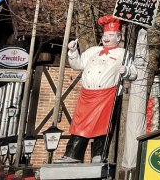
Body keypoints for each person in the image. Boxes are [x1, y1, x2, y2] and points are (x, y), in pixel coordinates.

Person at [56, 15, 137, 163]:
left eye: (111, 35)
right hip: (87, 95)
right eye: (105, 35)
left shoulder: (122, 53)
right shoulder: (93, 51)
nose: (106, 38)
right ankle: (73, 154)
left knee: (103, 126)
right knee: (79, 125)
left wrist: (126, 71)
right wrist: (73, 52)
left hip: (107, 95)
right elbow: (78, 65)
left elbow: (134, 73)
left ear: (118, 38)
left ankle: (98, 155)